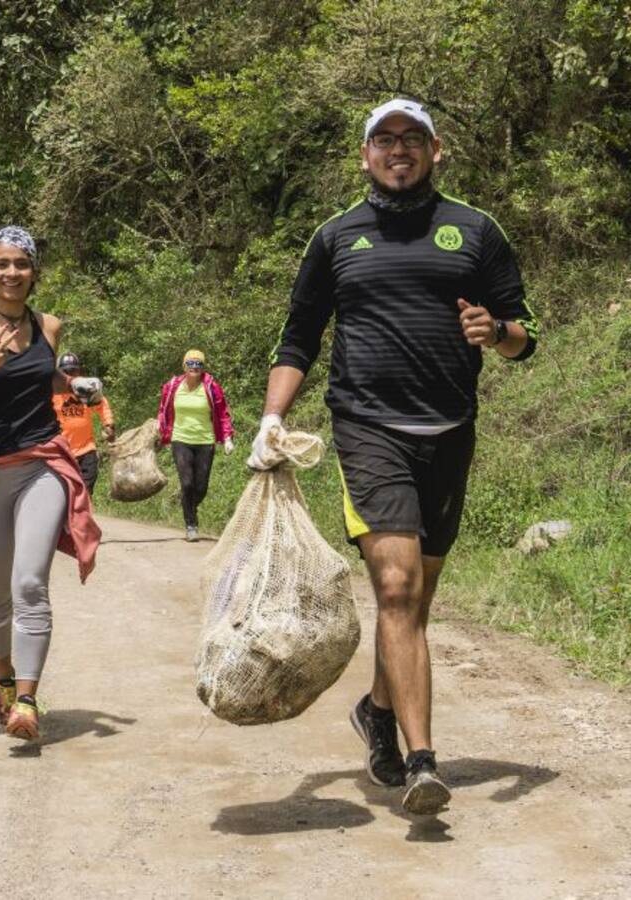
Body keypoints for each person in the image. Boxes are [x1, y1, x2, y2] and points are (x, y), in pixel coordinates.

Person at [248, 98, 540, 815]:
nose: (398, 149)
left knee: (413, 601)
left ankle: (378, 710)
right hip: (368, 429)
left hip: (451, 432)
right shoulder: (336, 237)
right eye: (385, 139)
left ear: (436, 151)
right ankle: (423, 763)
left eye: (413, 138)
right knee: (398, 588)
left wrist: (496, 331)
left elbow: (524, 335)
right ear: (365, 155)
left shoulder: (475, 230)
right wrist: (271, 418)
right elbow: (299, 337)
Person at [0, 225, 103, 742]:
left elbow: (39, 373)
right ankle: (4, 675)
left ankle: (27, 701)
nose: (13, 272)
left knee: (30, 583)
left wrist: (70, 383)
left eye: (22, 264)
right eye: (2, 264)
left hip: (41, 463)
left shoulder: (48, 325)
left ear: (34, 272)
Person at [156, 349, 235, 541]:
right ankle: (191, 525)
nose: (194, 367)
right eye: (190, 363)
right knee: (187, 483)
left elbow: (223, 413)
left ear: (203, 367)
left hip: (205, 441)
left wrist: (227, 438)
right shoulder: (173, 386)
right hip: (180, 439)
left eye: (198, 364)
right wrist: (160, 426)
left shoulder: (211, 387)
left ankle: (189, 506)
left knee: (201, 487)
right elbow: (163, 409)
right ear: (184, 366)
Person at [52, 351, 115, 496]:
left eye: (73, 371)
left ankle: (83, 509)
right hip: (63, 452)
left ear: (79, 371)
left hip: (87, 449)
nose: (70, 375)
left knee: (86, 490)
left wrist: (109, 424)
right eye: (66, 372)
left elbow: (101, 404)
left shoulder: (84, 389)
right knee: (65, 492)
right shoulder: (53, 394)